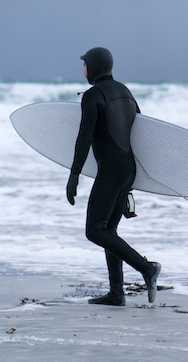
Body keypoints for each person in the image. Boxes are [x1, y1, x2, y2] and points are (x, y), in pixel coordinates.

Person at [66, 47, 160, 306]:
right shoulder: (125, 92)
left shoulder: (93, 96)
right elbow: (140, 132)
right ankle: (116, 293)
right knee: (109, 230)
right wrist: (129, 185)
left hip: (110, 171)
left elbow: (84, 138)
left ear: (93, 67)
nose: (83, 70)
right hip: (128, 169)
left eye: (84, 64)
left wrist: (74, 175)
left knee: (95, 231)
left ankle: (146, 268)